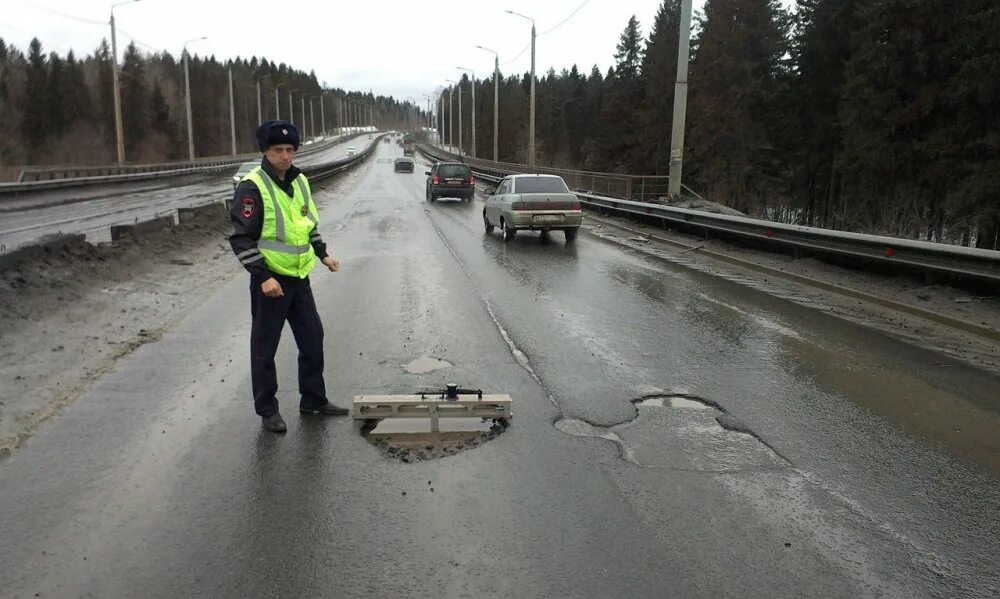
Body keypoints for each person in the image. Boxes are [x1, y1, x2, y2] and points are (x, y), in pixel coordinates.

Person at [229, 120, 348, 433]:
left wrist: (323, 255)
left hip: (299, 278)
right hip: (270, 281)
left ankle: (313, 400)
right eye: (278, 150)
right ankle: (267, 410)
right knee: (265, 348)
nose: (285, 156)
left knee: (312, 339)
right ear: (266, 151)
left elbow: (307, 225)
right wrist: (263, 276)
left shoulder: (300, 182)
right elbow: (241, 239)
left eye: (290, 150)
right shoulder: (252, 186)